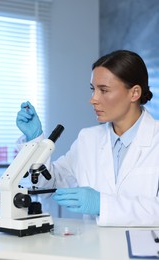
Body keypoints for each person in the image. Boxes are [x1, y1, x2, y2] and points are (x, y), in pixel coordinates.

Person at [16, 50, 159, 226]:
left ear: (134, 93)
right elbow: (50, 183)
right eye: (93, 89)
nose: (93, 99)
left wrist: (103, 204)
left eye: (104, 90)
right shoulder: (88, 139)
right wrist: (35, 142)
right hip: (94, 250)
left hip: (146, 250)